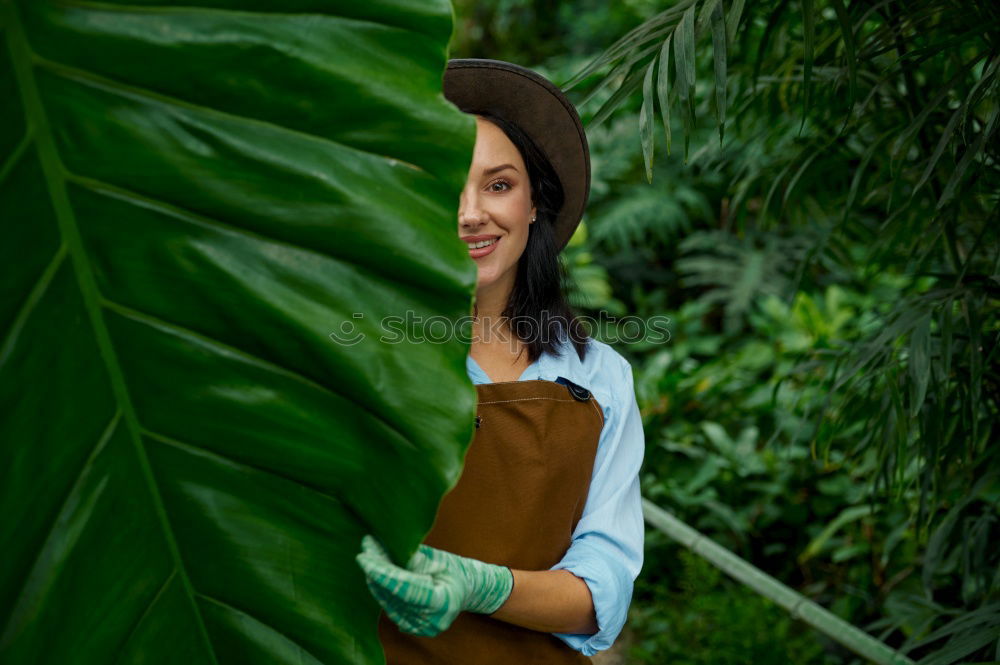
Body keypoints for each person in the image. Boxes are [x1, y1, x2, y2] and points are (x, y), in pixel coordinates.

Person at [355, 59, 645, 664]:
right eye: (447, 185)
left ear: (535, 202)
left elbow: (603, 589)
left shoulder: (600, 377)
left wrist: (482, 586)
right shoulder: (365, 356)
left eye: (498, 184)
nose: (470, 213)